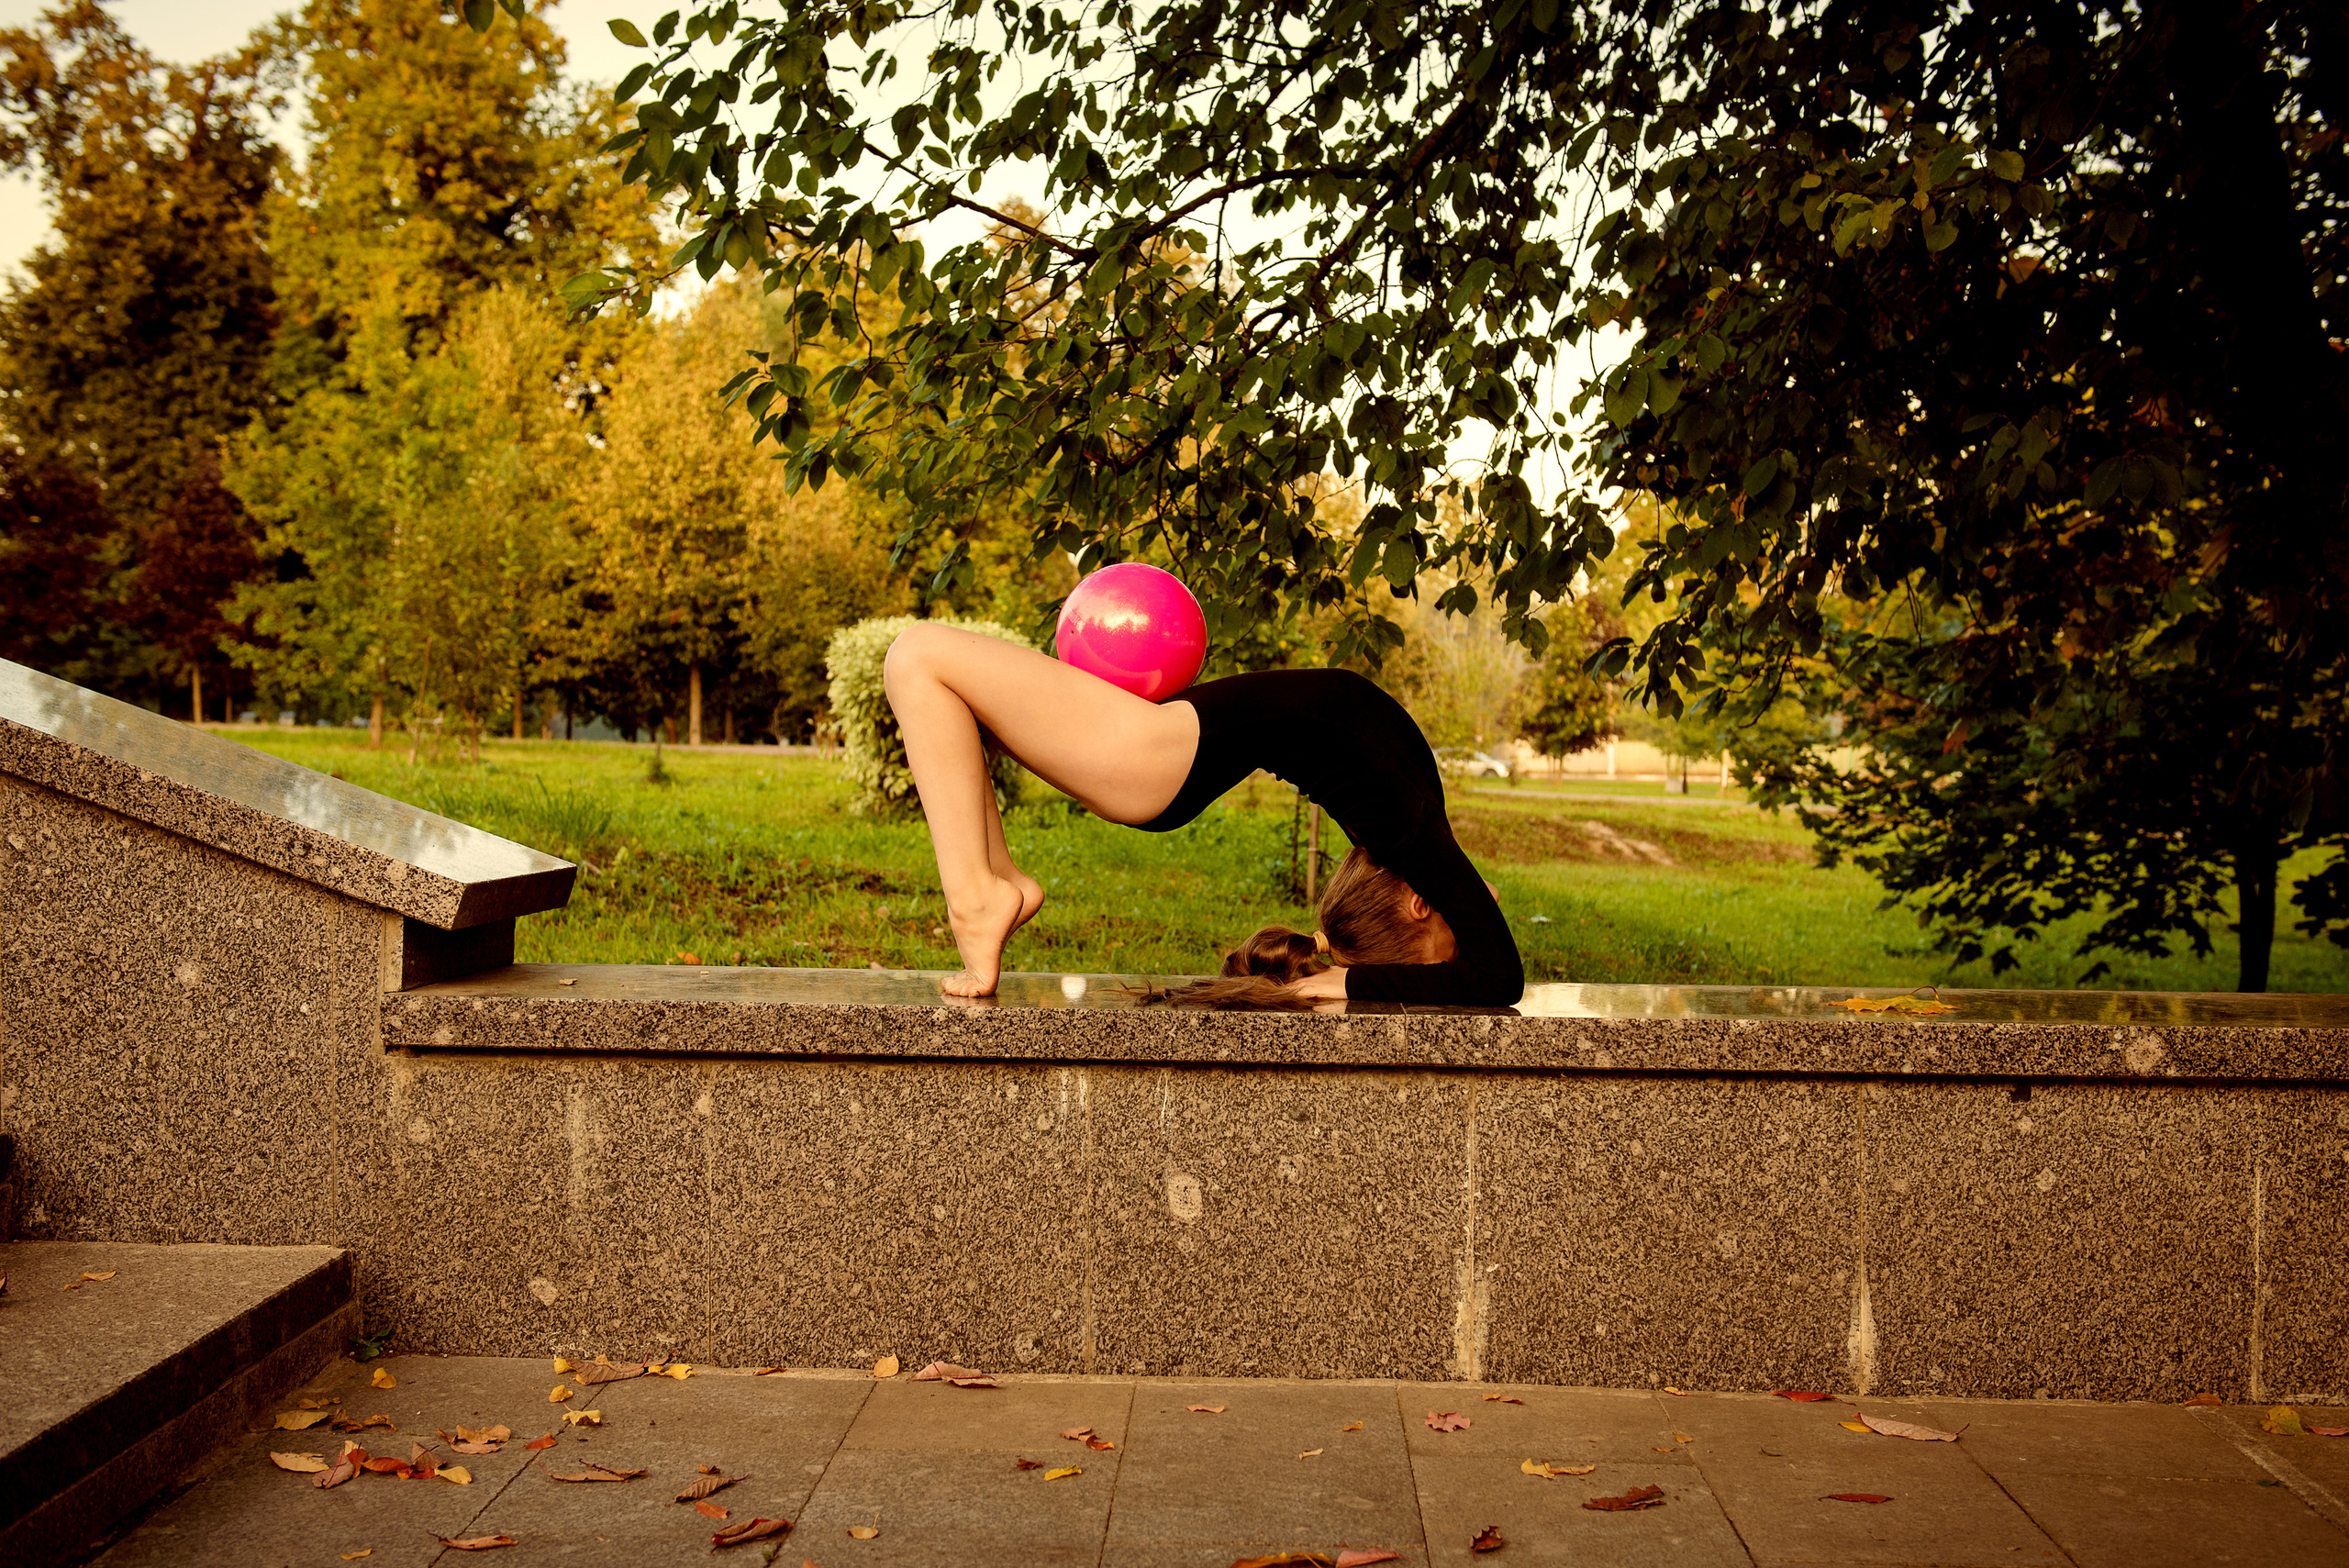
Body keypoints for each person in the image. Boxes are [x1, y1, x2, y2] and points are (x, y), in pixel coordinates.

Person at [883, 622, 1523, 1006]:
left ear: (1419, 903)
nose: (1479, 910)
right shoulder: (1402, 819)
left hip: (1152, 755)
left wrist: (1350, 985)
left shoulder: (1410, 834)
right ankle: (997, 881)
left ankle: (977, 898)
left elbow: (1497, 975)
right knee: (936, 676)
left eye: (1451, 938)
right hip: (1161, 748)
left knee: (916, 658)